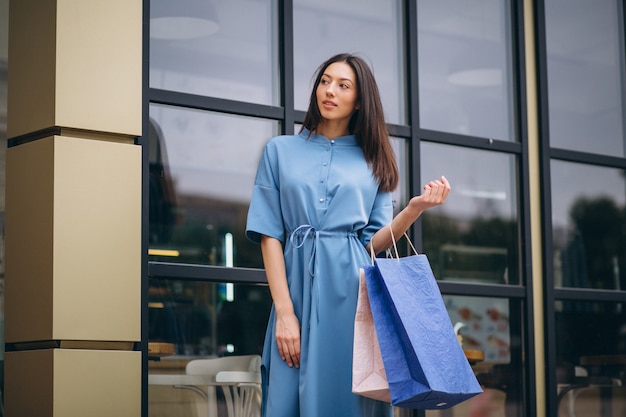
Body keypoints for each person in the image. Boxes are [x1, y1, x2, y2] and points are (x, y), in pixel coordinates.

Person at [246, 53, 450, 417]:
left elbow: (373, 243)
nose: (330, 91)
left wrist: (413, 209)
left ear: (359, 100)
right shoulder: (279, 151)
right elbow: (269, 235)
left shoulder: (375, 160)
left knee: (348, 400)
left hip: (352, 300)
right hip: (294, 294)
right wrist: (285, 313)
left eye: (343, 85)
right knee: (284, 395)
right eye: (325, 81)